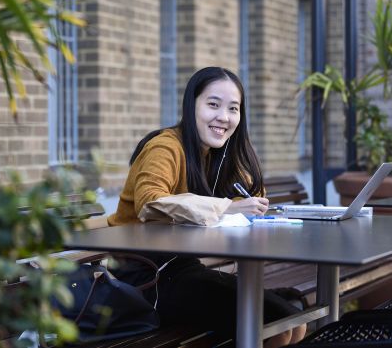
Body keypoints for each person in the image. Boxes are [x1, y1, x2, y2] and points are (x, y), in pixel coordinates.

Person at [107, 67, 306, 347]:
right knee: (276, 326)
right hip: (145, 280)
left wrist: (237, 156)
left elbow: (251, 195)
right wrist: (227, 207)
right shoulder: (165, 147)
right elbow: (150, 202)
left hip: (184, 268)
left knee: (293, 320)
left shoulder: (215, 153)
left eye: (233, 109)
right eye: (213, 105)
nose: (223, 117)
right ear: (192, 105)